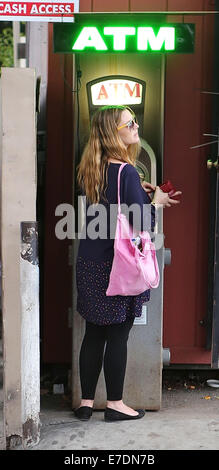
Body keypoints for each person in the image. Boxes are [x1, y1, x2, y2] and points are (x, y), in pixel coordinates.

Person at [74, 105, 181, 422]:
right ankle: (116, 404)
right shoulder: (128, 172)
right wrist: (156, 203)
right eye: (129, 123)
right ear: (114, 134)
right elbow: (140, 221)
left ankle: (86, 403)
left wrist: (140, 194)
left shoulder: (91, 169)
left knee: (93, 333)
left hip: (91, 260)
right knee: (118, 334)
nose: (136, 126)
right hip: (118, 266)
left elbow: (109, 212)